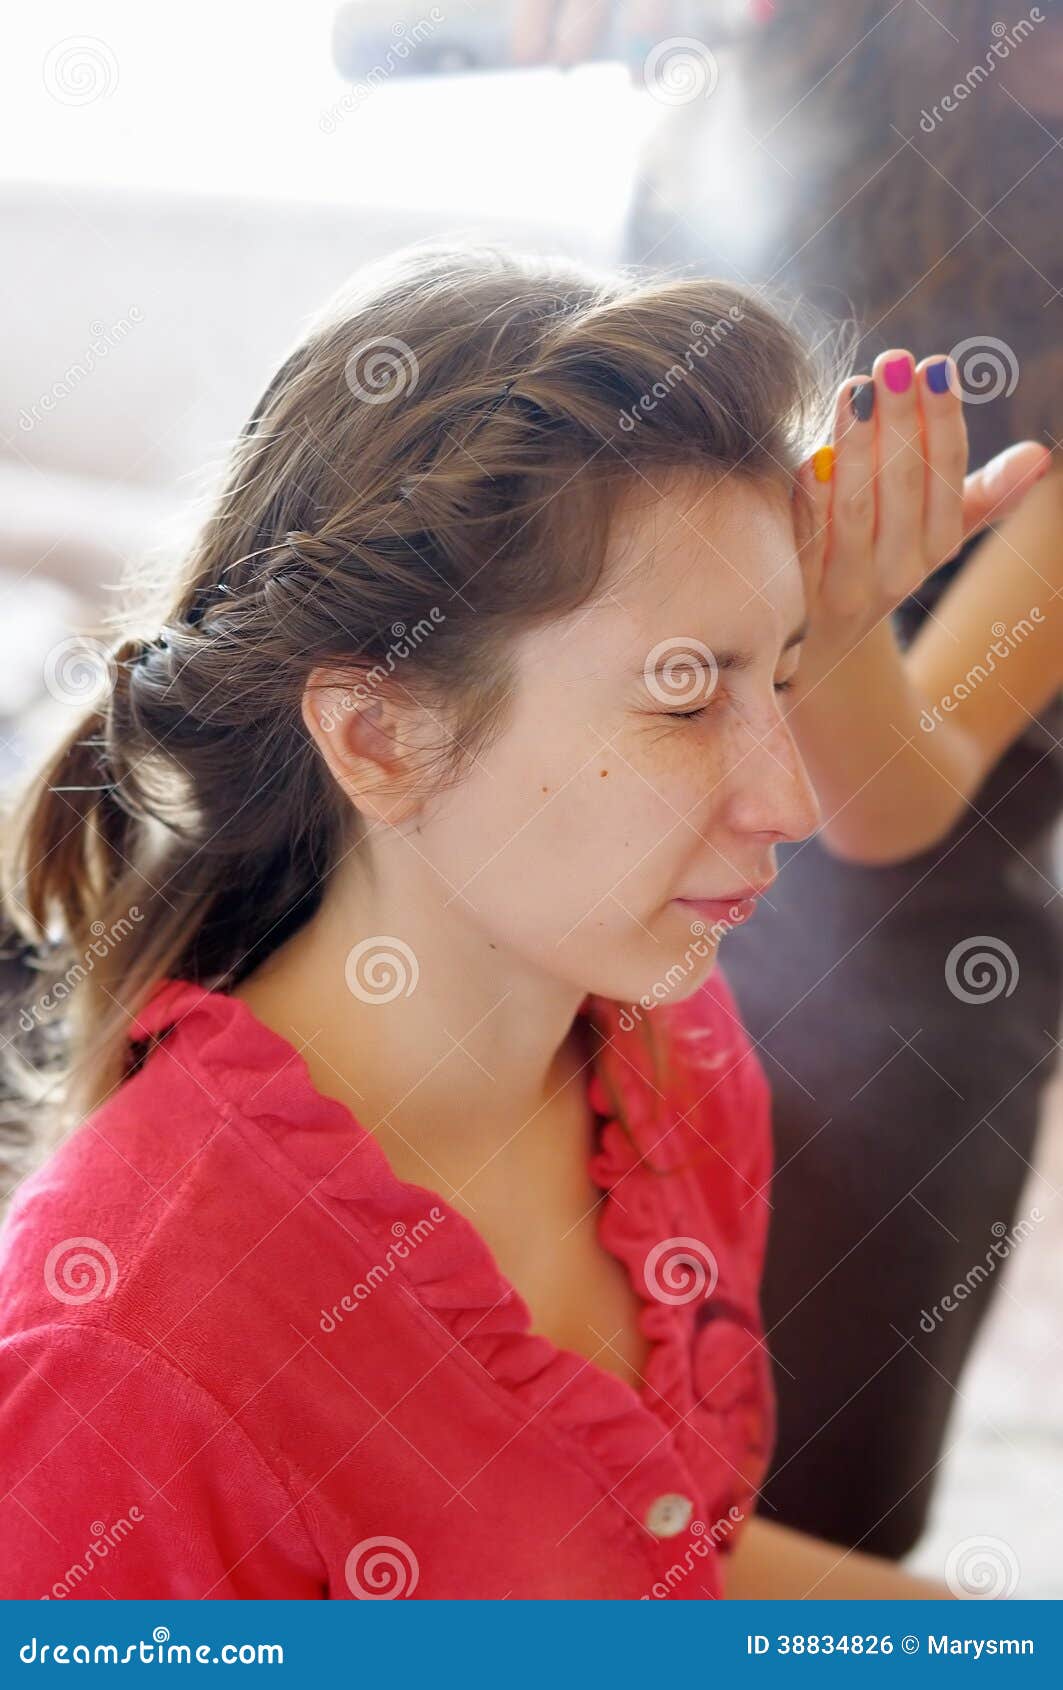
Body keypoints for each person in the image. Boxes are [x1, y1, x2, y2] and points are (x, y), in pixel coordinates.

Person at [0, 241, 1046, 1598]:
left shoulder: (668, 1054)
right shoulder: (120, 1363)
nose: (788, 801)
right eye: (683, 695)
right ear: (379, 737)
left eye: (781, 675)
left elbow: (652, 1559)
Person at [505, 0, 1063, 1557]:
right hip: (621, 908)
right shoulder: (785, 66)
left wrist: (830, 614)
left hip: (901, 992)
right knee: (549, 1495)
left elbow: (894, 798)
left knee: (790, 1540)